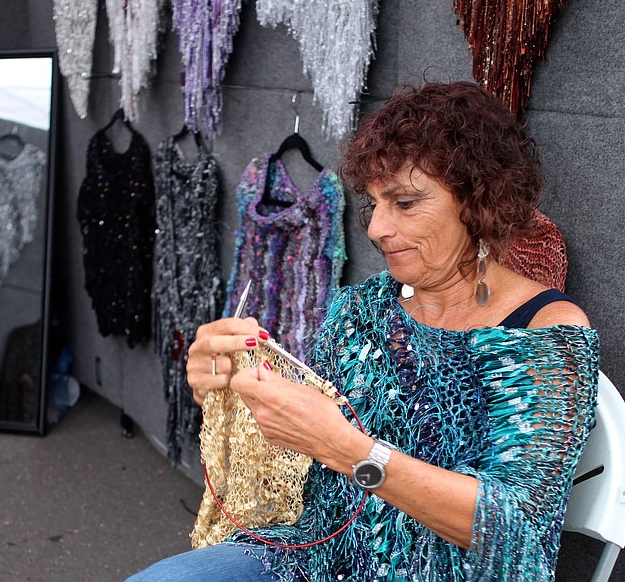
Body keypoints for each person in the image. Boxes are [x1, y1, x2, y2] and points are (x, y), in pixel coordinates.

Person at [127, 81, 599, 581]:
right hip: (314, 557)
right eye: (375, 203)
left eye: (406, 203)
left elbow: (517, 526)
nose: (375, 229)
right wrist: (231, 390)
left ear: (479, 202)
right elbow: (295, 460)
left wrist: (349, 451)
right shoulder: (363, 307)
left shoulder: (547, 331)